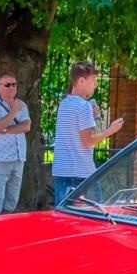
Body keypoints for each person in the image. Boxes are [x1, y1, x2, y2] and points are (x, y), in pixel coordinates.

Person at [52, 62, 123, 206]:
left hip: (61, 171)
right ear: (82, 81)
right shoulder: (83, 106)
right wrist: (110, 131)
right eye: (93, 80)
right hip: (81, 173)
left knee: (63, 217)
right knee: (94, 217)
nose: (95, 85)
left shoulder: (64, 104)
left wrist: (92, 116)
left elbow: (72, 133)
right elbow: (88, 141)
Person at [0, 73, 30, 215]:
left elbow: (26, 126)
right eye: (7, 85)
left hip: (18, 157)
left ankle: (5, 231)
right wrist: (14, 112)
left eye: (14, 84)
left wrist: (6, 129)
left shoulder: (21, 104)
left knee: (11, 201)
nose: (11, 88)